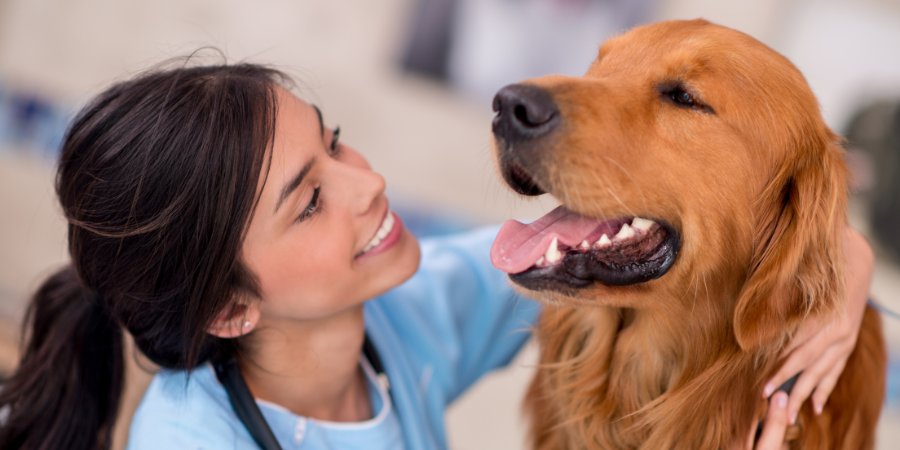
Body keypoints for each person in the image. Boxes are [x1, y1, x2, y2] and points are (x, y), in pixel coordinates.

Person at [0, 63, 874, 450]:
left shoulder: (399, 323)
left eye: (335, 145)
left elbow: (728, 238)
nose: (367, 184)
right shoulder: (194, 444)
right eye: (309, 201)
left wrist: (840, 269)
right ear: (230, 311)